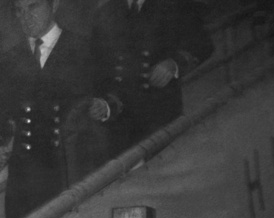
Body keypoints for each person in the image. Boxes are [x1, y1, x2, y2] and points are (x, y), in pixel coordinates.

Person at [0, 0, 108, 218]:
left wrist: (103, 107)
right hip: (24, 179)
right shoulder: (10, 59)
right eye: (19, 11)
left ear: (54, 6)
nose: (25, 16)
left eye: (33, 7)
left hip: (69, 172)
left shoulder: (83, 49)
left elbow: (106, 98)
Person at [89, 0, 214, 153]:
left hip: (160, 114)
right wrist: (103, 102)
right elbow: (96, 67)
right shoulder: (106, 12)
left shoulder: (173, 5)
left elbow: (203, 44)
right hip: (119, 119)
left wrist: (174, 63)